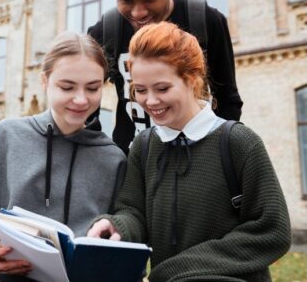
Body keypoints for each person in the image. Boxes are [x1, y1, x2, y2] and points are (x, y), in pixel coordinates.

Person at [87, 22, 291, 282]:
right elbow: (133, 211)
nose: (150, 101)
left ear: (192, 79)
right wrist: (118, 226)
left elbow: (272, 230)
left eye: (162, 88)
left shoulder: (240, 143)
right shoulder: (144, 145)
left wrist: (176, 270)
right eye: (140, 90)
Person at [0, 32, 127, 281]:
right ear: (45, 81)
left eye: (93, 88)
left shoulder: (113, 158)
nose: (81, 99)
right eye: (67, 87)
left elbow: (119, 232)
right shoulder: (4, 136)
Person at [88, 0, 243, 154]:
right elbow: (83, 99)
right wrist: (98, 153)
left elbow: (228, 101)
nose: (138, 12)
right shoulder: (105, 31)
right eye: (126, 0)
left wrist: (214, 157)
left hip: (196, 158)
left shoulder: (205, 21)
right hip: (132, 163)